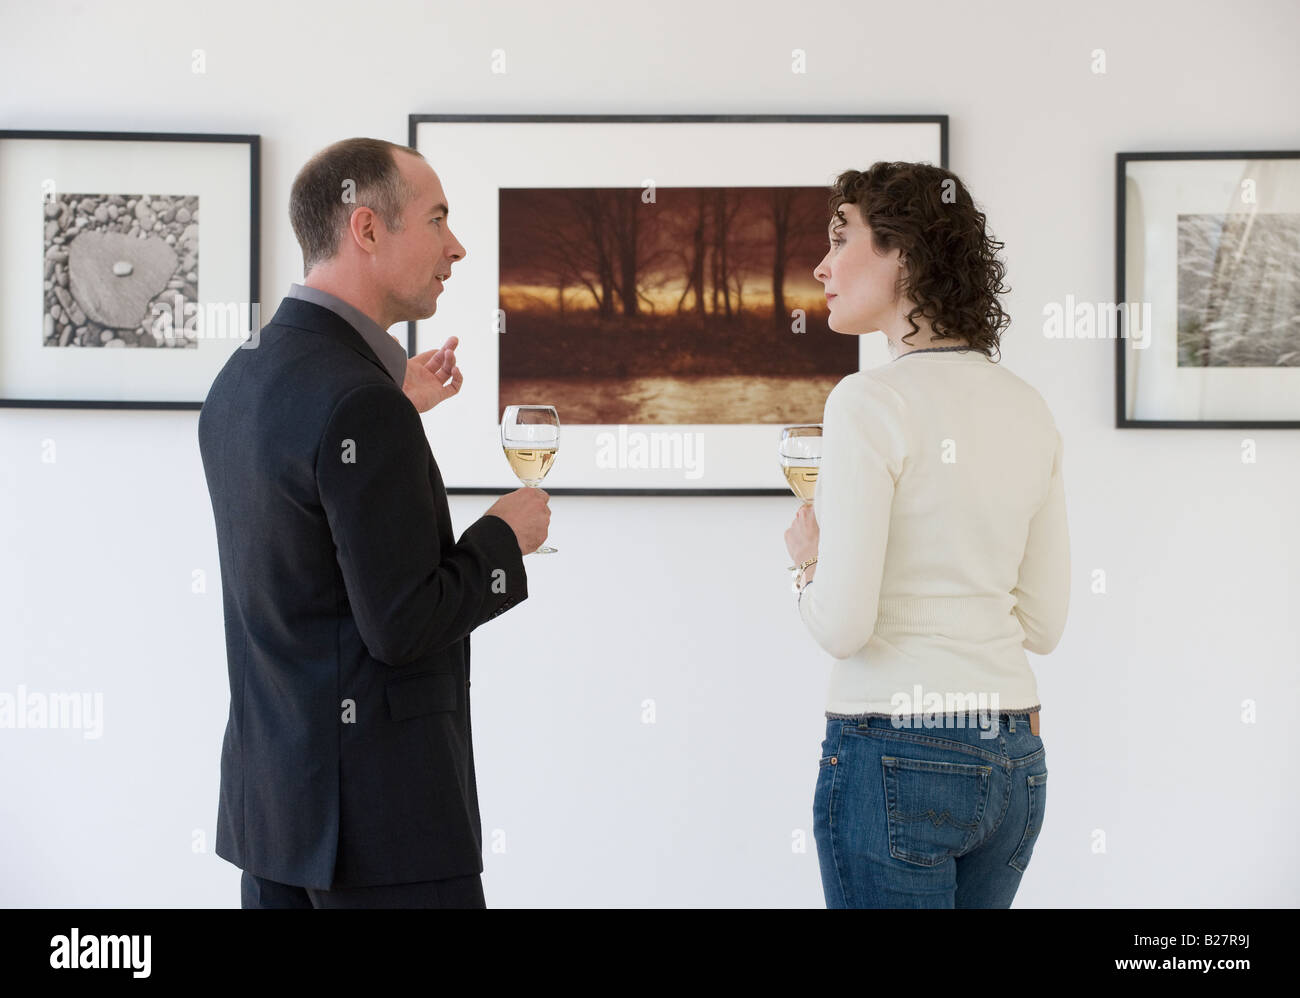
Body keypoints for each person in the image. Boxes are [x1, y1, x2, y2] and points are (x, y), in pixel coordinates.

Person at [197, 137, 551, 908]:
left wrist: (394, 403)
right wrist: (504, 538)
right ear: (366, 229)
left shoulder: (246, 372)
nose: (455, 248)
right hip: (384, 831)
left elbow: (307, 545)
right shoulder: (360, 404)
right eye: (437, 220)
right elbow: (401, 623)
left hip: (276, 817)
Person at [785, 161, 1070, 908]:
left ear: (902, 254)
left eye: (842, 238)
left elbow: (844, 627)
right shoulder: (1026, 407)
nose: (822, 264)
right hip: (1013, 757)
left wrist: (806, 562)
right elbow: (1045, 623)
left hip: (895, 755)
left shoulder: (868, 401)